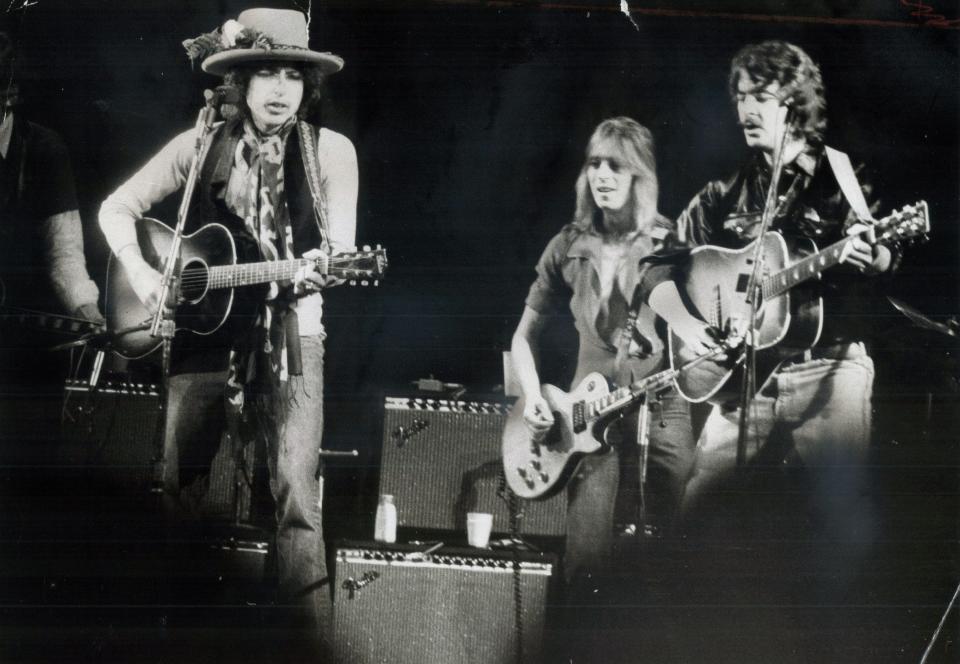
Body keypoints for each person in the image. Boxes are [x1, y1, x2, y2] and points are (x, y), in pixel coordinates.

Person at [97, 8, 357, 654]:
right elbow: (115, 209)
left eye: (292, 76)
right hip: (203, 335)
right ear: (238, 82)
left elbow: (340, 251)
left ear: (307, 85)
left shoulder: (331, 152)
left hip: (295, 338)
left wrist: (321, 270)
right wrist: (148, 276)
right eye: (263, 73)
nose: (278, 89)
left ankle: (304, 649)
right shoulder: (198, 145)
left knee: (297, 494)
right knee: (178, 489)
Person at [642, 40, 898, 660]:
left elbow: (888, 255)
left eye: (760, 96)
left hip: (828, 369)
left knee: (838, 537)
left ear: (795, 101)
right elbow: (654, 269)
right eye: (740, 96)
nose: (746, 109)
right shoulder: (725, 192)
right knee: (697, 526)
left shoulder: (843, 175)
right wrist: (691, 326)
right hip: (743, 383)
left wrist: (876, 251)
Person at [510, 117, 694, 587]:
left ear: (640, 175)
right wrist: (533, 397)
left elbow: (696, 322)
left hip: (662, 410)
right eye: (595, 164)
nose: (603, 176)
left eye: (617, 165)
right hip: (587, 415)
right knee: (587, 559)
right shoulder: (568, 245)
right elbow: (522, 337)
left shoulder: (669, 243)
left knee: (673, 559)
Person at [0, 30, 103, 375]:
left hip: (21, 341)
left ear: (10, 95)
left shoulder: (45, 149)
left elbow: (64, 251)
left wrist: (84, 306)